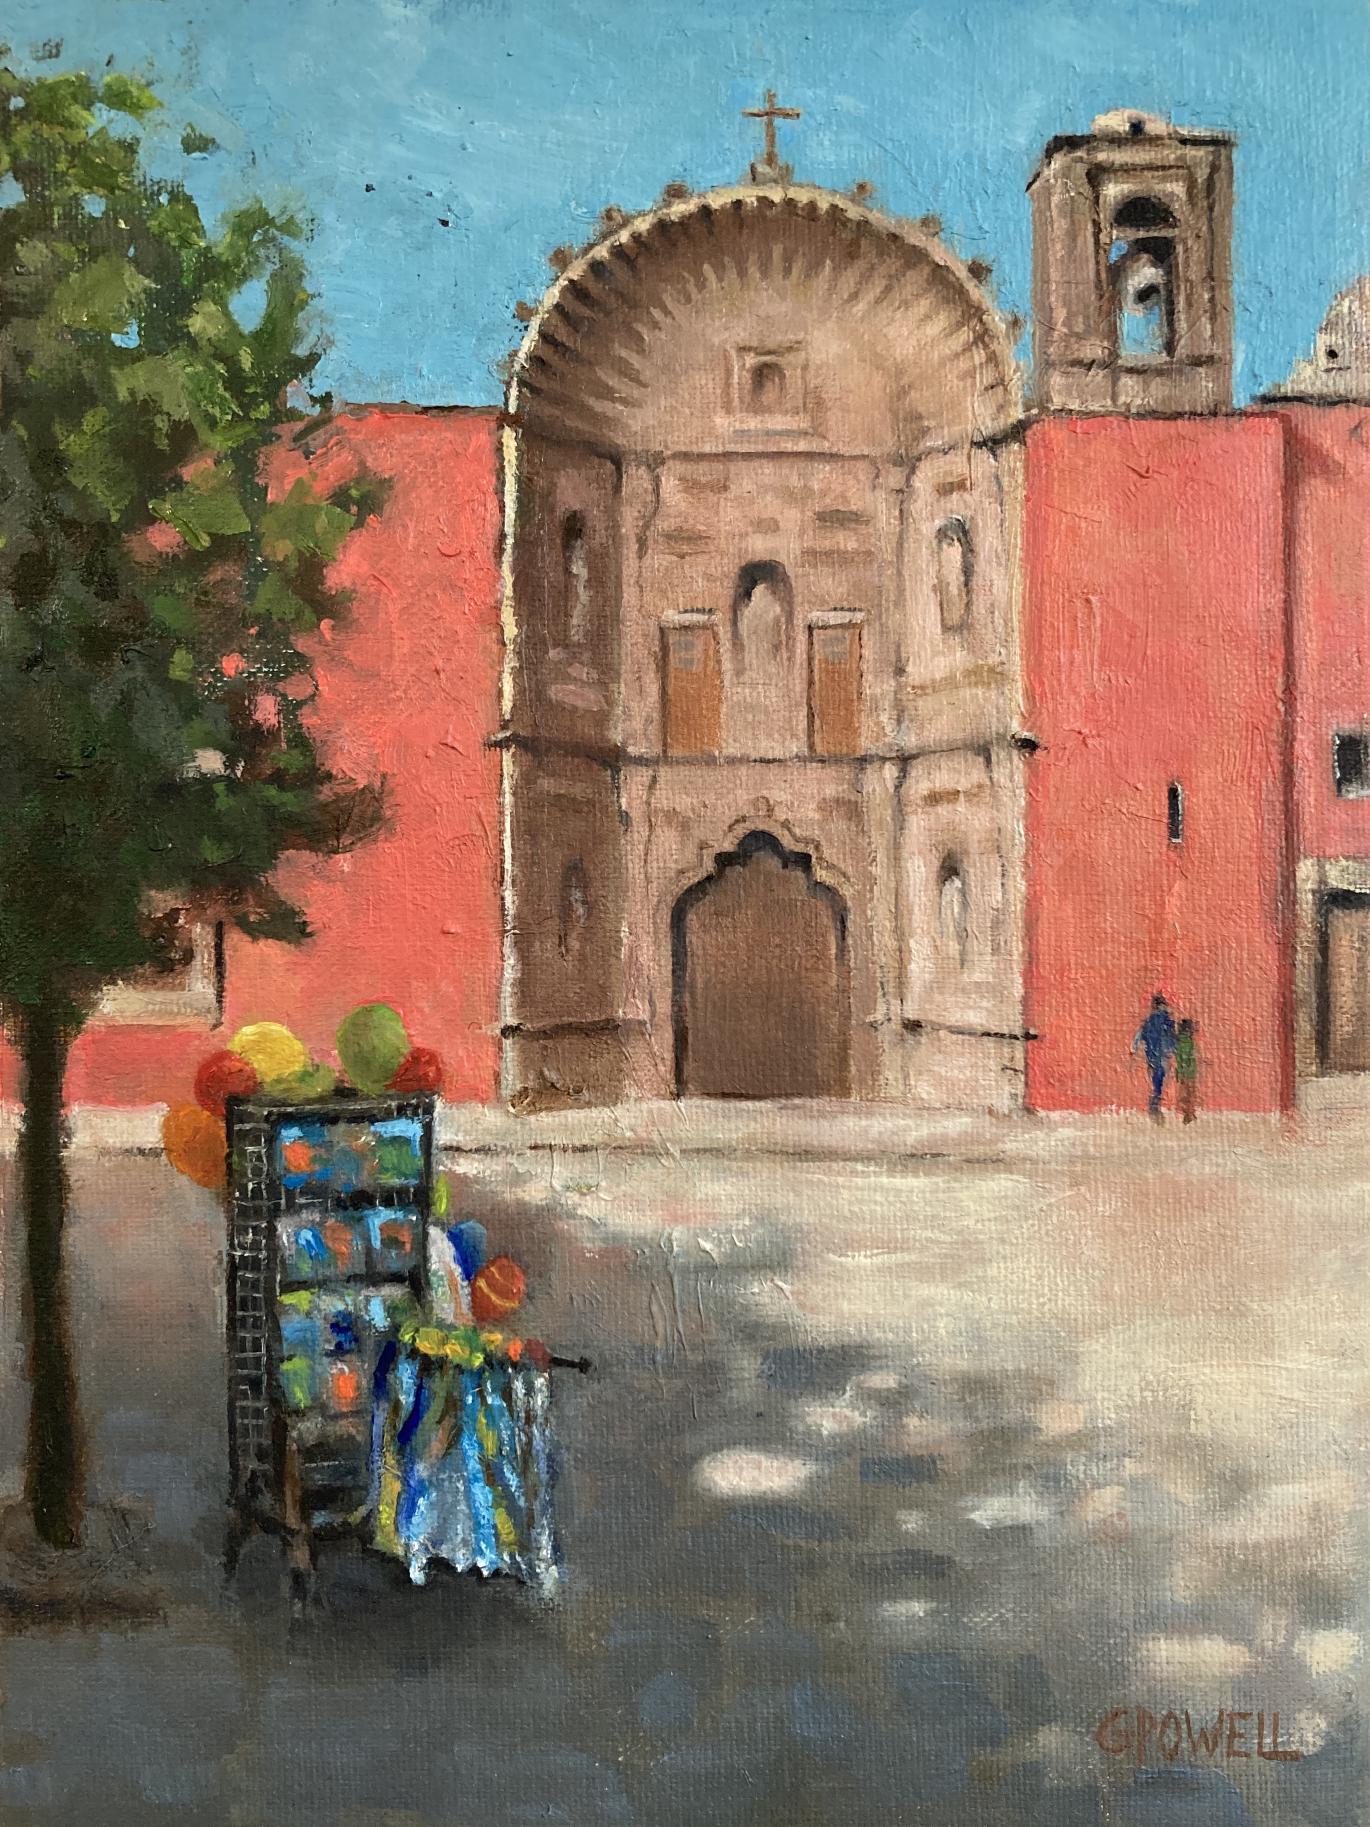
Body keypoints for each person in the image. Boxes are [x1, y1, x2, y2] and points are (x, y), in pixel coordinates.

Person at [1132, 993, 1177, 1120]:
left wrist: (1134, 1049)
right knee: (1161, 1076)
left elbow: (1139, 1035)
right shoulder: (1167, 1020)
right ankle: (1155, 1101)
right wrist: (1175, 1049)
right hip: (1162, 1053)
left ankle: (1155, 1101)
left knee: (1157, 1076)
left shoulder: (1149, 1021)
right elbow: (1172, 1037)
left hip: (1152, 1054)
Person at [1175, 1018, 1198, 1124]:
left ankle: (1189, 1113)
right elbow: (1188, 1058)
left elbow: (1179, 1058)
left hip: (1183, 1072)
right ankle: (1189, 1113)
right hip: (1190, 1072)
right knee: (1190, 1093)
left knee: (1185, 1092)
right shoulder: (1188, 1042)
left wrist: (1180, 1072)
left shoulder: (1179, 1042)